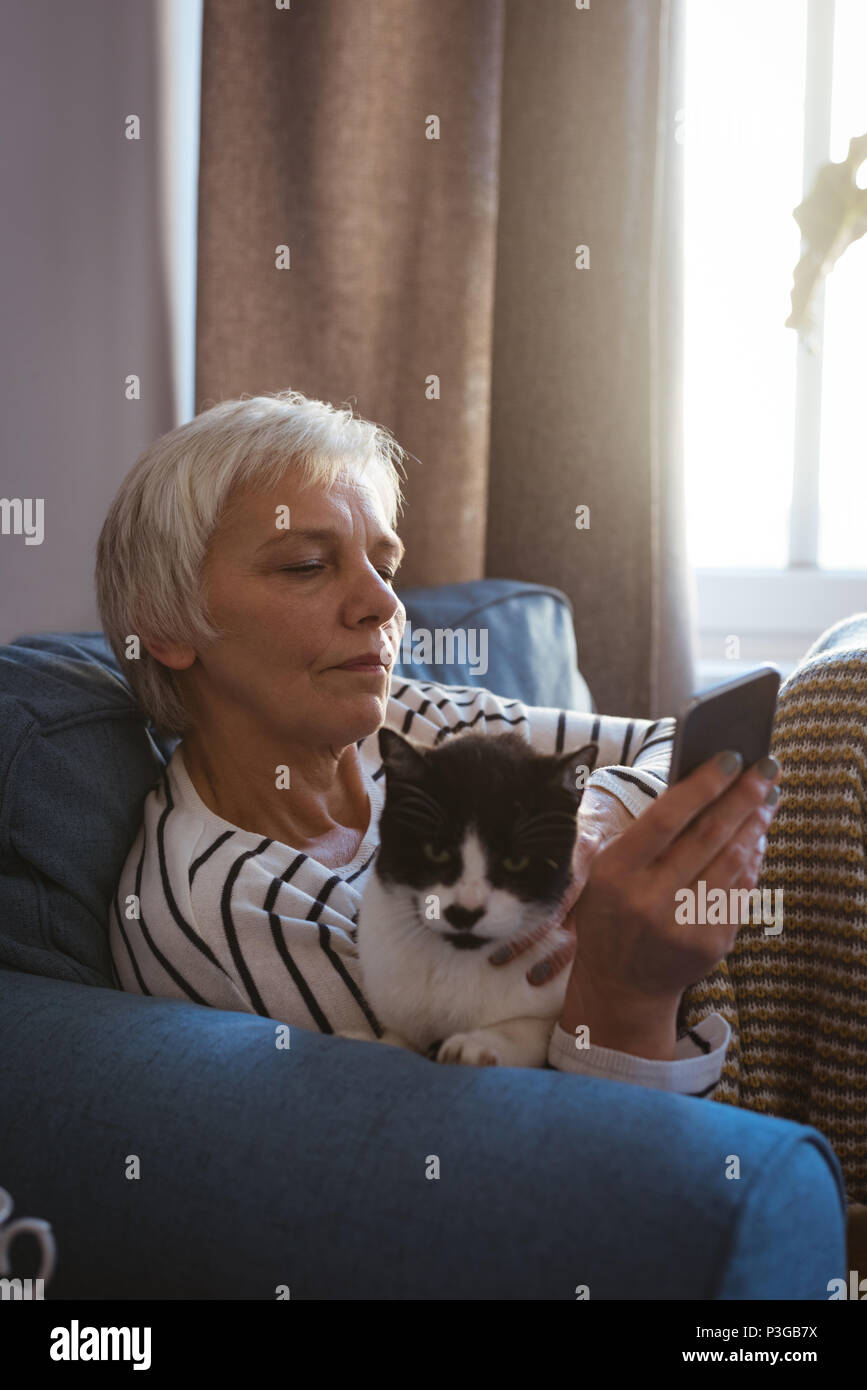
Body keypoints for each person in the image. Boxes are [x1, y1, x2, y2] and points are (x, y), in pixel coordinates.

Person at [96, 388, 779, 1104]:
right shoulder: (232, 911)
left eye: (384, 567)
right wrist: (624, 983)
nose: (385, 605)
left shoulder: (415, 723)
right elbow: (495, 1158)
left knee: (831, 701)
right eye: (305, 565)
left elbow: (679, 746)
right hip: (683, 1127)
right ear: (166, 627)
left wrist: (592, 820)